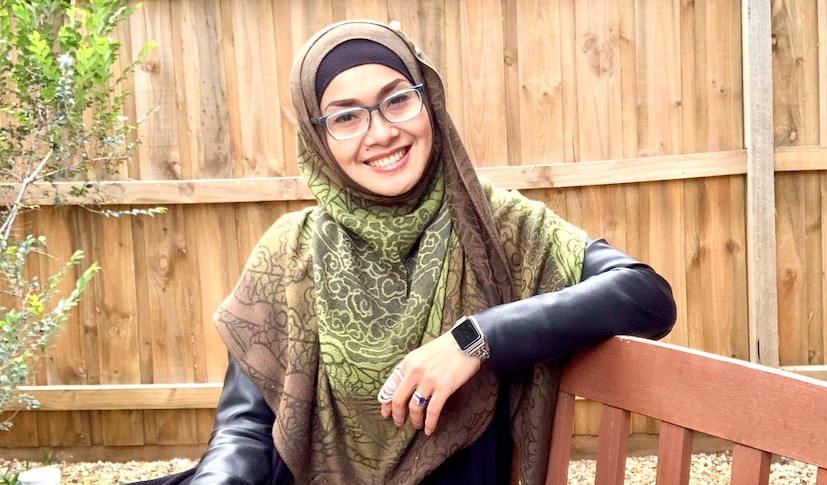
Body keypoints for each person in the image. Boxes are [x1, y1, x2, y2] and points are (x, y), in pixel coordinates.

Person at [136, 19, 675, 485]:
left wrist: (477, 338)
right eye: (345, 116)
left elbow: (644, 295)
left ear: (428, 102)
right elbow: (247, 427)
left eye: (397, 99)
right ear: (318, 139)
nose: (381, 132)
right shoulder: (289, 252)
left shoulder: (501, 227)